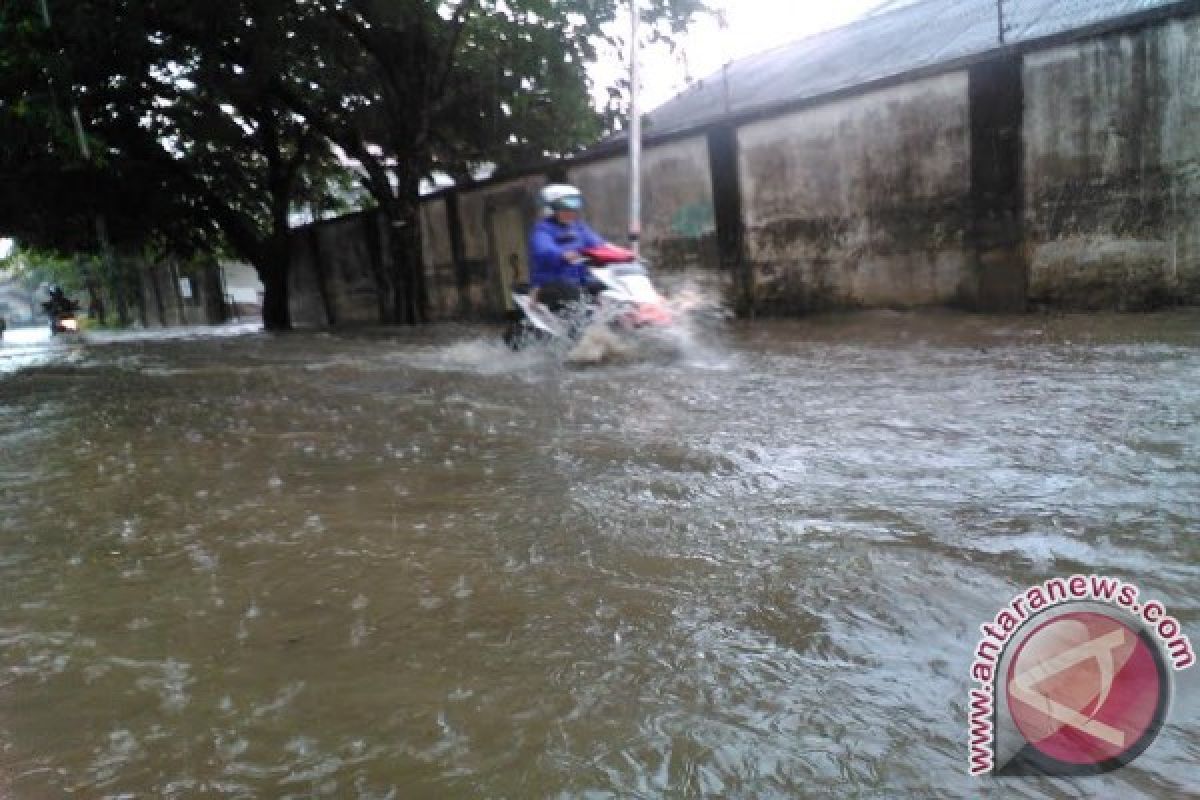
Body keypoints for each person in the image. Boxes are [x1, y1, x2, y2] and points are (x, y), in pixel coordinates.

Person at [528, 184, 607, 312]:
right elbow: (544, 250)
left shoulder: (579, 227)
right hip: (550, 284)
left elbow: (599, 244)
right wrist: (562, 255)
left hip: (579, 281)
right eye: (565, 209)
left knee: (606, 287)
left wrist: (622, 254)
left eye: (573, 209)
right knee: (571, 294)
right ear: (552, 209)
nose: (570, 213)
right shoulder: (542, 230)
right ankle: (575, 329)